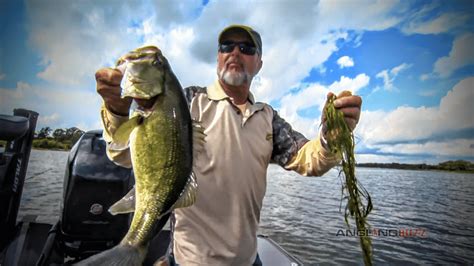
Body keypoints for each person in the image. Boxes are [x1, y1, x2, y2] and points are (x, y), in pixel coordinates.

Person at [95, 24, 362, 265]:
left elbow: (307, 158)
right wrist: (116, 110)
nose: (235, 52)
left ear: (258, 63)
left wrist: (333, 135)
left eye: (246, 48)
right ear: (218, 57)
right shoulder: (185, 102)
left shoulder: (267, 117)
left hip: (248, 259)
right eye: (226, 46)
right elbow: (122, 155)